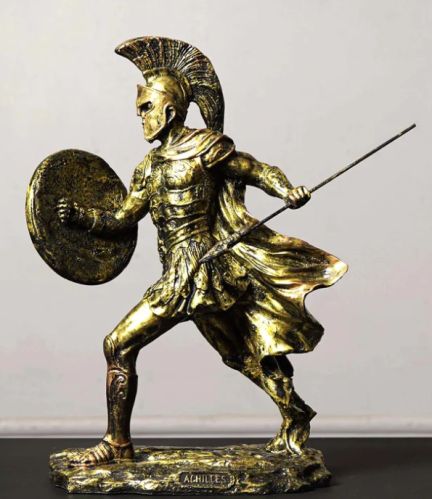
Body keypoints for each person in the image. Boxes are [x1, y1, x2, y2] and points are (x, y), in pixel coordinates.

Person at [57, 36, 347, 466]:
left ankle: (117, 444)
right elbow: (123, 218)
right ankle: (295, 412)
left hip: (205, 270)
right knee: (240, 353)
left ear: (169, 110)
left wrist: (287, 190)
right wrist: (81, 217)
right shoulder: (148, 168)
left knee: (118, 344)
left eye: (146, 107)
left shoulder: (207, 148)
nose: (140, 117)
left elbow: (256, 169)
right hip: (179, 274)